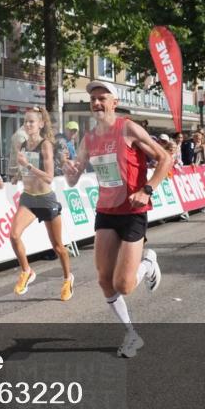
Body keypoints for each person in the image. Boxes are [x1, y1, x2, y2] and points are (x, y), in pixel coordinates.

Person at [63, 80, 171, 358]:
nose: (97, 103)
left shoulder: (128, 128)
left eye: (102, 98)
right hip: (106, 212)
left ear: (114, 102)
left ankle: (148, 263)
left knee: (124, 284)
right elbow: (73, 180)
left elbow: (165, 159)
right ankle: (132, 334)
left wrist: (147, 190)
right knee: (104, 279)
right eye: (93, 99)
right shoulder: (89, 138)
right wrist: (69, 168)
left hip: (133, 212)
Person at [11, 107, 73, 300]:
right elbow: (26, 170)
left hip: (46, 200)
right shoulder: (22, 145)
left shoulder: (45, 144)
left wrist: (27, 165)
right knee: (14, 235)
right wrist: (17, 175)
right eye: (26, 121)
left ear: (41, 124)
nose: (28, 125)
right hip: (29, 198)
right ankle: (27, 271)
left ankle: (67, 278)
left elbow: (48, 177)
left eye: (31, 122)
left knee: (58, 247)